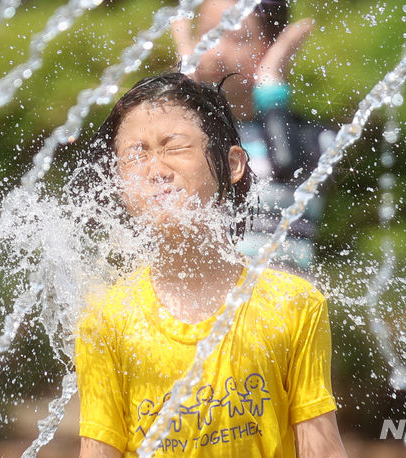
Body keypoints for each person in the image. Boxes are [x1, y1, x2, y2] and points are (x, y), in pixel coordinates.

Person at [75, 72, 346, 457]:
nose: (156, 171)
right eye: (136, 154)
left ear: (233, 163)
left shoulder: (292, 304)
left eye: (174, 147)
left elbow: (321, 448)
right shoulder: (106, 319)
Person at [172, 0, 333, 272]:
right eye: (209, 34)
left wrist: (271, 81)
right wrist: (185, 81)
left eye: (237, 38)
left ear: (273, 46)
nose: (217, 52)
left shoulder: (314, 138)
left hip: (278, 298)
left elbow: (286, 167)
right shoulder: (193, 130)